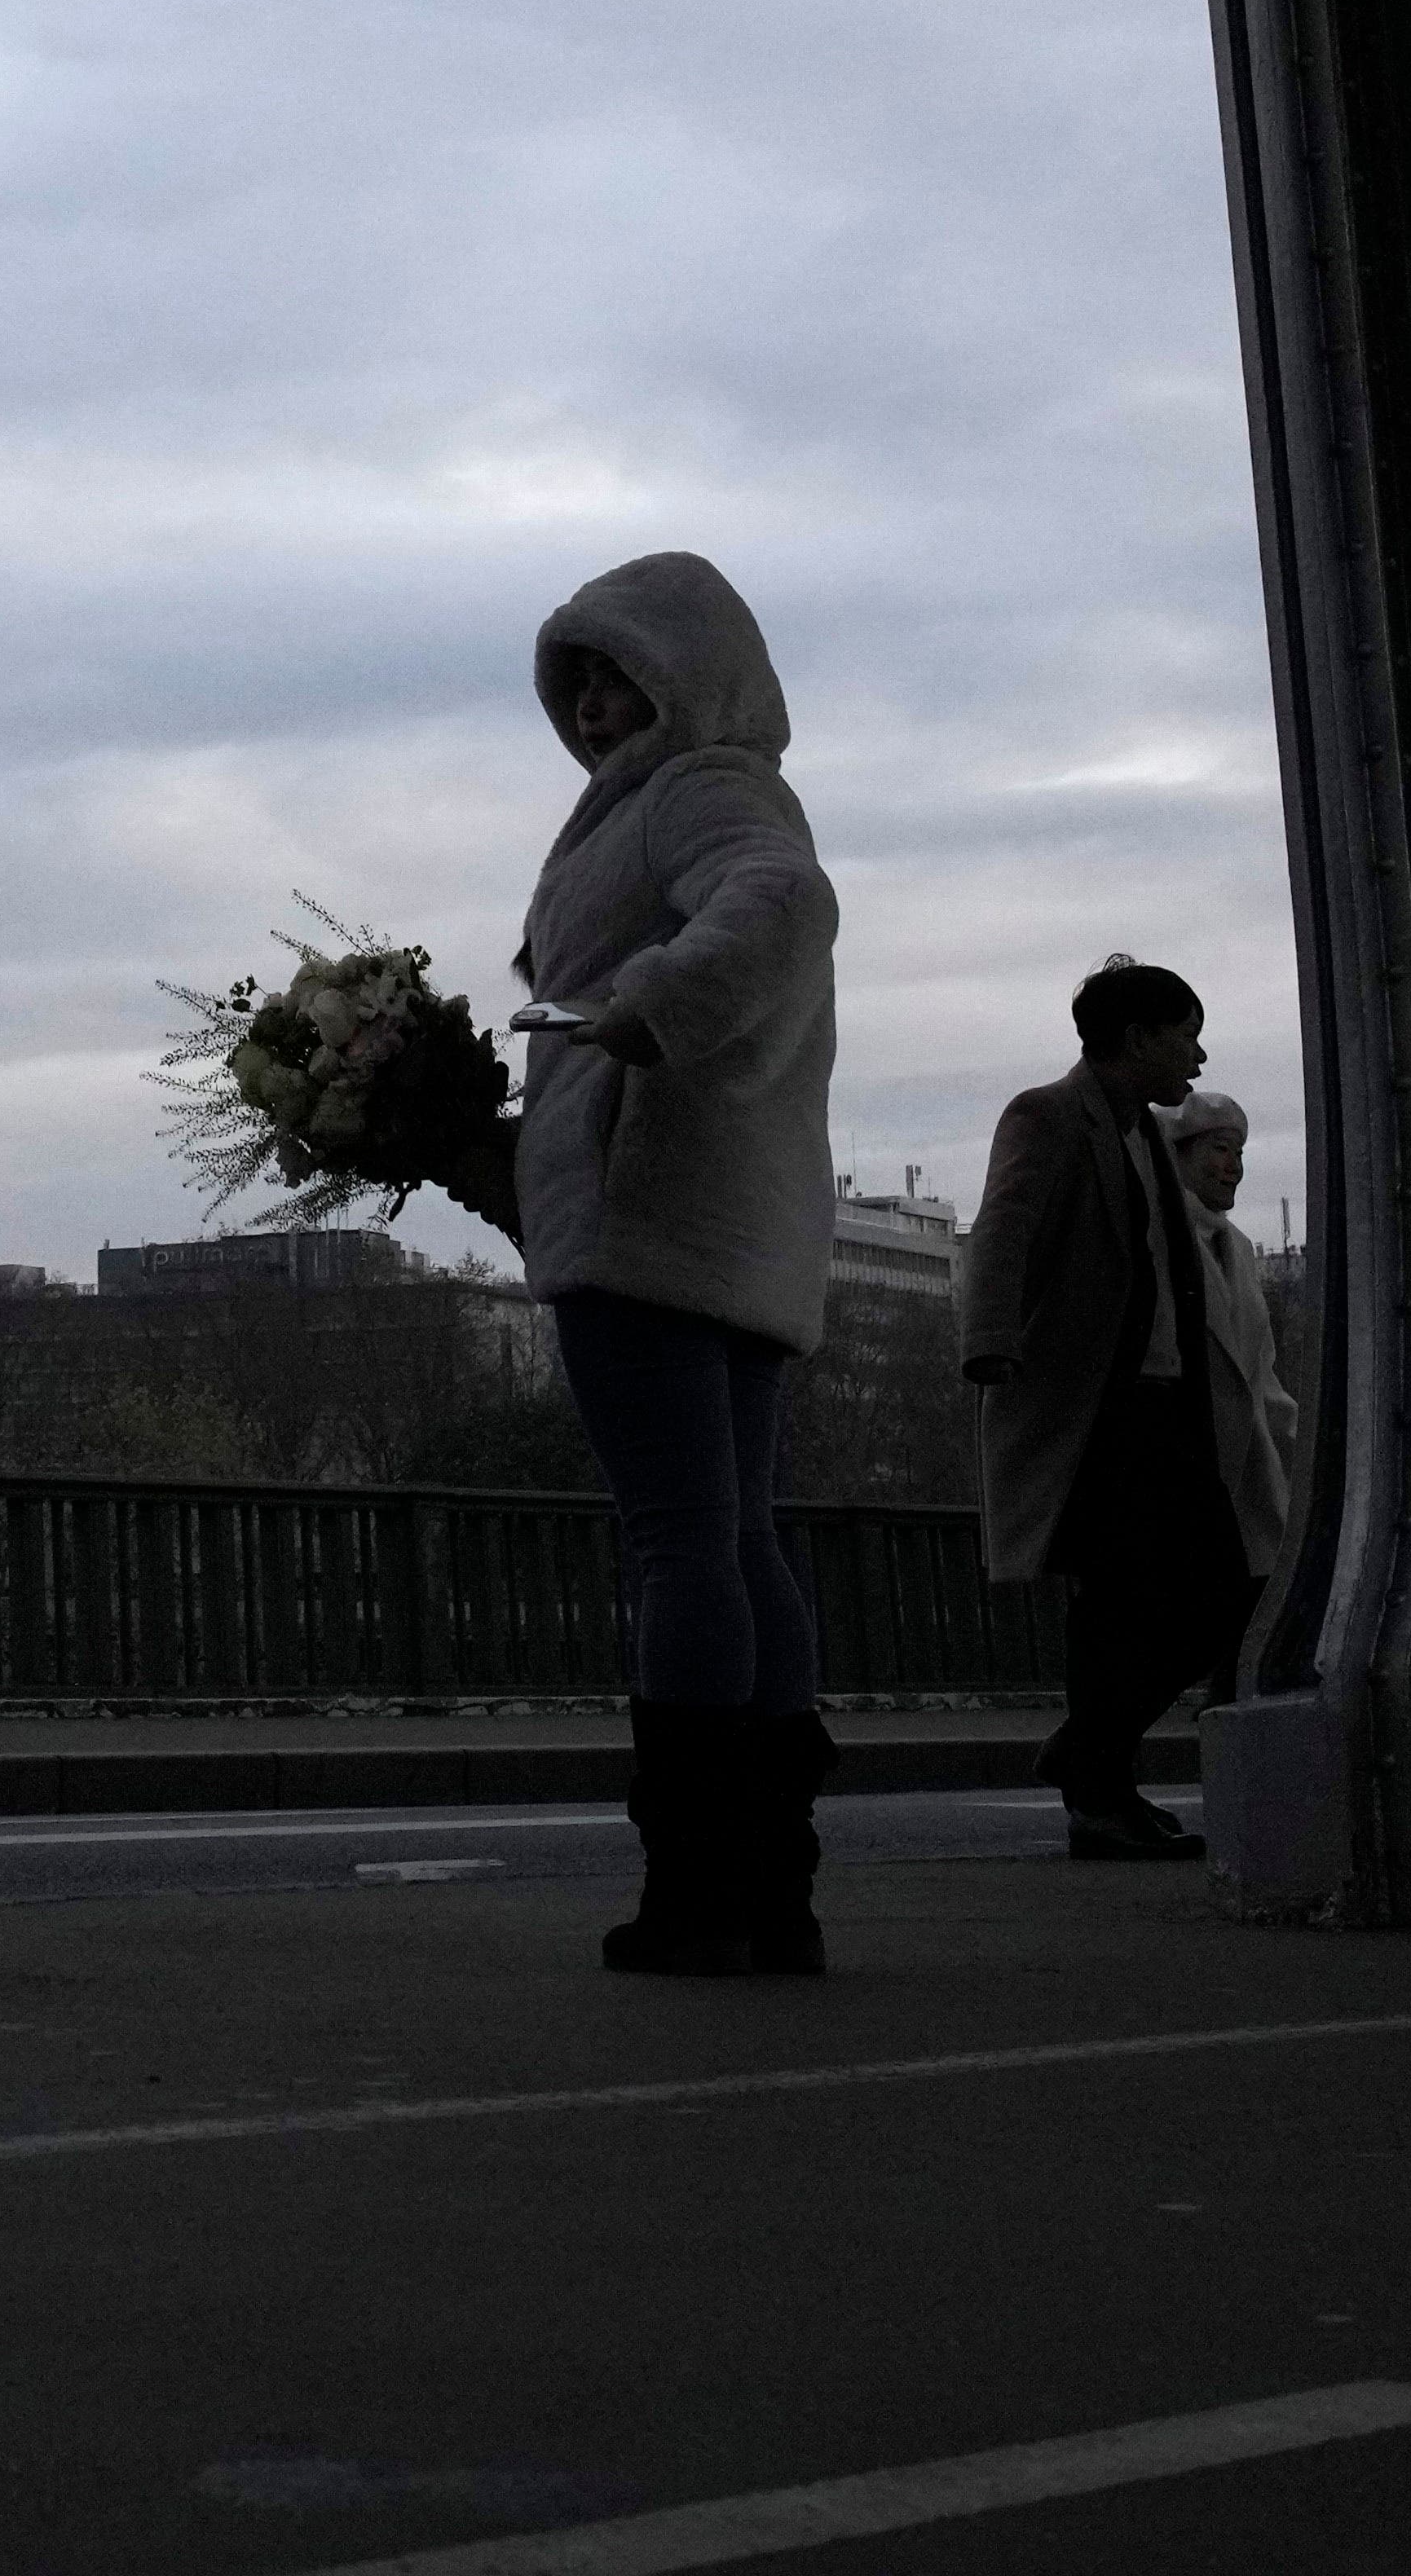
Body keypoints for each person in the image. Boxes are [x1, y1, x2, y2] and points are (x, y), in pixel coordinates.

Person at [507, 551, 841, 1979]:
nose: (590, 704)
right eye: (573, 679)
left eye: (616, 673)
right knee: (734, 1535)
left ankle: (700, 1884)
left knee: (679, 1541)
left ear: (687, 672)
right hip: (727, 1216)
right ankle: (769, 1887)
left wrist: (652, 1006)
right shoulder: (673, 801)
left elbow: (779, 905)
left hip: (651, 1210)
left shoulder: (701, 791)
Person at [958, 958, 1254, 1859]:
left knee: (1223, 1593)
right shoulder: (1050, 1115)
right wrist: (989, 1341)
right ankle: (1102, 1794)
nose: (1198, 1057)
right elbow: (1001, 1229)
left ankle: (1091, 1757)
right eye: (1185, 1035)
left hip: (1167, 1406)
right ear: (1137, 1040)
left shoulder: (1139, 1137)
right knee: (1123, 1600)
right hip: (1099, 1407)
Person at [1167, 1091, 1302, 1602]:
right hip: (1187, 1493)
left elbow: (1261, 1378)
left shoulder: (1240, 1250)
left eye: (1240, 1153)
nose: (1234, 1168)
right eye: (1221, 1150)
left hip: (1250, 1493)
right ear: (1178, 1154)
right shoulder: (1156, 1242)